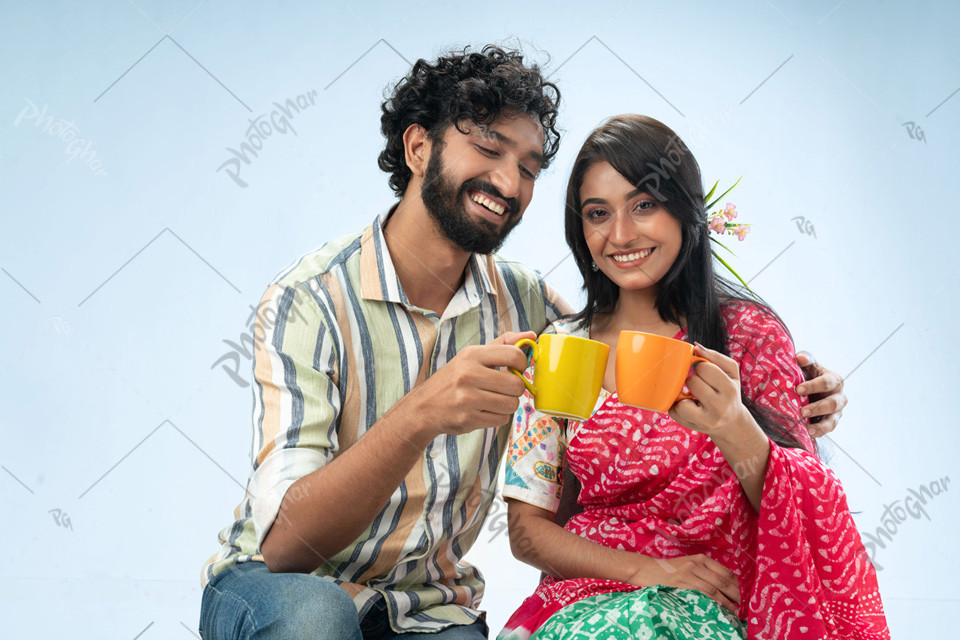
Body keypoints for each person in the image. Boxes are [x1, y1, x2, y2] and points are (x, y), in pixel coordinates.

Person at [198, 47, 849, 640]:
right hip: (282, 583)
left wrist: (789, 393)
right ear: (419, 147)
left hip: (429, 608)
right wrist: (422, 413)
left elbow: (633, 332)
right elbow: (286, 547)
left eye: (529, 167)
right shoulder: (310, 299)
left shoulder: (535, 312)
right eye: (488, 148)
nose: (510, 184)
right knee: (318, 618)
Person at [497, 114, 888, 640]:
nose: (620, 234)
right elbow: (527, 532)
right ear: (580, 228)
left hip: (724, 602)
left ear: (685, 212)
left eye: (644, 206)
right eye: (598, 213)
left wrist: (733, 425)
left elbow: (799, 511)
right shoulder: (562, 351)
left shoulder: (747, 336)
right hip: (586, 603)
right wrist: (647, 572)